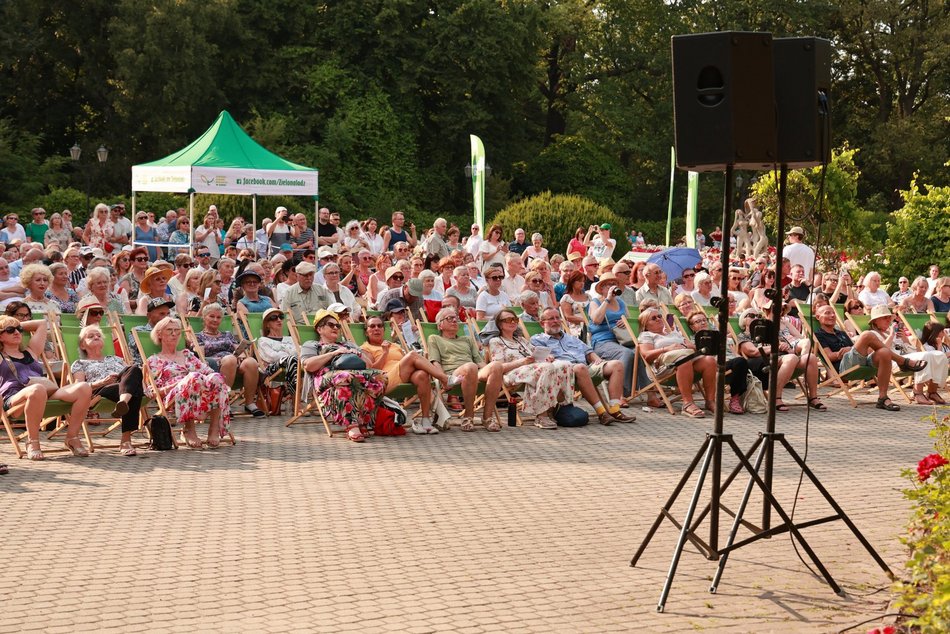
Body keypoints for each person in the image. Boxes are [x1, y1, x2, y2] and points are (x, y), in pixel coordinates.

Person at [0, 315, 91, 460]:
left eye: (19, 329)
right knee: (37, 389)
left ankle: (72, 437)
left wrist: (16, 324)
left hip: (44, 392)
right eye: (10, 330)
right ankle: (32, 442)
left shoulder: (31, 352)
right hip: (15, 398)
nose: (17, 332)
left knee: (84, 387)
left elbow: (41, 323)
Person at [530, 307, 634, 423]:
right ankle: (601, 412)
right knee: (580, 368)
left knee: (617, 365)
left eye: (557, 318)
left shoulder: (571, 338)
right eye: (551, 318)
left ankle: (615, 410)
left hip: (585, 368)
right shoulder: (538, 339)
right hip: (564, 373)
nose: (555, 321)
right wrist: (548, 357)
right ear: (542, 323)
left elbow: (588, 352)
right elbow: (540, 358)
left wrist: (597, 359)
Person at [814, 304, 925, 411]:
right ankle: (902, 361)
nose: (832, 315)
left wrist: (850, 348)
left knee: (884, 352)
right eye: (827, 313)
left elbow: (856, 350)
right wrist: (846, 351)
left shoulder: (841, 333)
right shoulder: (819, 335)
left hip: (859, 359)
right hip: (844, 366)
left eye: (833, 313)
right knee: (867, 334)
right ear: (818, 317)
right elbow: (829, 356)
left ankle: (883, 398)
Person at [300, 310, 385, 443]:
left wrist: (358, 353)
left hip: (354, 373)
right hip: (327, 376)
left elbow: (369, 365)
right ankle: (352, 425)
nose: (335, 328)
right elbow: (308, 365)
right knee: (345, 377)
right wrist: (333, 353)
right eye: (331, 325)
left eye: (337, 326)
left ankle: (363, 421)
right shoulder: (311, 345)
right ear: (319, 329)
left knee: (380, 376)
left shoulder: (348, 344)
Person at [145, 316, 231, 448]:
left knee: (216, 377)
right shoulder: (154, 360)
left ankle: (214, 428)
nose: (174, 334)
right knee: (193, 377)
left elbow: (208, 372)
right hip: (173, 397)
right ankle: (189, 429)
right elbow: (154, 391)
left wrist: (200, 380)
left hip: (200, 393)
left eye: (177, 331)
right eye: (169, 330)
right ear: (159, 334)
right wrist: (184, 381)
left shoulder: (187, 354)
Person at [485, 308, 572, 429]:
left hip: (533, 369)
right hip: (512, 373)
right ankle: (542, 415)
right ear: (500, 324)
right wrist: (522, 362)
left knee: (564, 364)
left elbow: (536, 355)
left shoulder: (521, 340)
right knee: (546, 368)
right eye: (508, 320)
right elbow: (499, 367)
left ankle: (558, 408)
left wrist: (547, 357)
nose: (513, 322)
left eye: (515, 319)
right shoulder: (496, 341)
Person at [361, 314, 450, 434]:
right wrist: (384, 353)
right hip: (384, 380)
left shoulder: (394, 345)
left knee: (422, 375)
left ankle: (426, 420)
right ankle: (444, 378)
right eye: (372, 326)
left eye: (379, 326)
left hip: (403, 375)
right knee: (412, 355)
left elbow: (407, 362)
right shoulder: (365, 348)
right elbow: (372, 370)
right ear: (366, 332)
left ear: (383, 329)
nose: (376, 328)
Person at [426, 307, 504, 432]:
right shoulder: (434, 338)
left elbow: (479, 362)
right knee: (470, 366)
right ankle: (468, 416)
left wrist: (493, 373)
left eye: (455, 318)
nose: (454, 320)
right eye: (449, 318)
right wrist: (443, 379)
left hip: (472, 372)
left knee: (496, 366)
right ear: (440, 325)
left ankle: (487, 417)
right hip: (452, 375)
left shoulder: (467, 339)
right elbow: (435, 361)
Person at [72, 326, 144, 456]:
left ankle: (123, 402)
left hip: (122, 388)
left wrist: (147, 387)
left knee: (134, 369)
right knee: (134, 391)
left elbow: (131, 375)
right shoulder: (80, 363)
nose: (96, 337)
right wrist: (102, 382)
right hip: (101, 390)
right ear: (82, 345)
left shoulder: (116, 359)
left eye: (98, 335)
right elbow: (79, 387)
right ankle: (126, 441)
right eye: (91, 336)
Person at [736, 306, 824, 412]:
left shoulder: (769, 334)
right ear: (743, 320)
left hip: (781, 359)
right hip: (760, 362)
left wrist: (786, 347)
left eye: (758, 316)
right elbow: (753, 352)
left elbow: (785, 347)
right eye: (751, 316)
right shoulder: (743, 336)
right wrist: (776, 347)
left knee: (811, 358)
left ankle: (813, 397)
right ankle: (776, 397)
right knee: (791, 358)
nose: (756, 318)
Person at [636, 307, 715, 417]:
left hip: (686, 362)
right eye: (653, 318)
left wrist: (688, 346)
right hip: (663, 368)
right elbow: (646, 355)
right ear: (645, 325)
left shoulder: (674, 333)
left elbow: (693, 347)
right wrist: (667, 348)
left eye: (659, 316)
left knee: (709, 360)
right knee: (684, 360)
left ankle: (710, 401)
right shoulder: (646, 335)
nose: (658, 319)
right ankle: (687, 404)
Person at [193, 303, 264, 417]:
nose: (215, 320)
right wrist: (227, 358)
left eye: (218, 317)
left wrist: (241, 356)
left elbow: (239, 350)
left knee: (251, 361)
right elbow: (201, 356)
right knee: (230, 359)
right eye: (212, 316)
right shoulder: (198, 336)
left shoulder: (227, 334)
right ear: (204, 317)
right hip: (214, 366)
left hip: (233, 362)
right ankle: (224, 403)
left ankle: (250, 403)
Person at [683, 310, 748, 414]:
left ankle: (738, 399)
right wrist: (695, 347)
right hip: (715, 366)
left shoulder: (719, 336)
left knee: (743, 362)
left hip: (733, 364)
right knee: (740, 362)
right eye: (698, 321)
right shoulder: (692, 341)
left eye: (704, 320)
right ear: (692, 327)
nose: (702, 323)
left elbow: (734, 353)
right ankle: (734, 399)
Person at [919, 322, 949, 404]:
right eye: (942, 331)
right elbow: (936, 359)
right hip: (930, 366)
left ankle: (932, 393)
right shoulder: (926, 347)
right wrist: (939, 346)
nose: (944, 334)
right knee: (937, 365)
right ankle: (931, 393)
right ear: (935, 333)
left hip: (943, 365)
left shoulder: (943, 346)